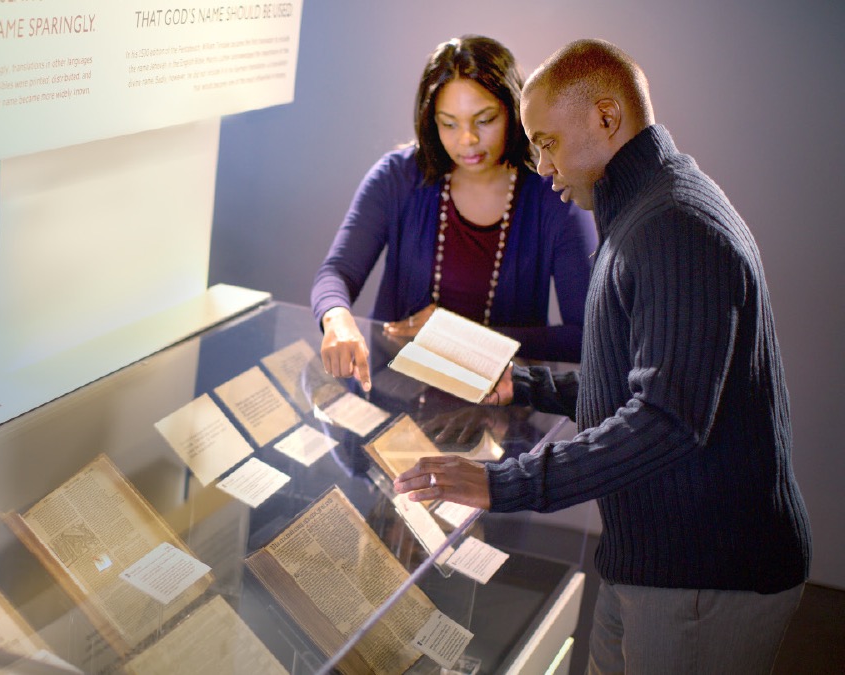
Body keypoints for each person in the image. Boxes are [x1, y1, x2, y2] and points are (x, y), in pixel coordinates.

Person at [393, 39, 812, 674]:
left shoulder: (675, 227)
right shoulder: (646, 210)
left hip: (706, 576)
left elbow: (665, 420)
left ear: (607, 117)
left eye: (548, 143)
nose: (541, 165)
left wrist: (503, 483)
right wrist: (525, 385)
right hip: (650, 559)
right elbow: (641, 378)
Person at [313, 35, 597, 394]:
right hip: (392, 393)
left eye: (485, 120)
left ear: (513, 110)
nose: (467, 140)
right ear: (431, 120)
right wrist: (336, 317)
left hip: (499, 406)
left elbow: (585, 336)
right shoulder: (397, 177)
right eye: (449, 123)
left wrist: (458, 337)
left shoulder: (553, 197)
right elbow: (337, 273)